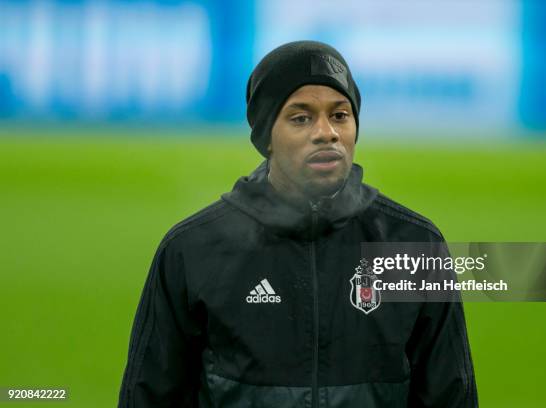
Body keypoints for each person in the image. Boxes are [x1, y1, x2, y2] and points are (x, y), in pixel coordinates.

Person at [118, 40, 478, 408]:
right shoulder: (192, 250)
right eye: (301, 117)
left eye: (339, 115)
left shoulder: (415, 246)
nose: (326, 133)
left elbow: (450, 397)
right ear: (265, 136)